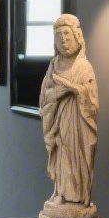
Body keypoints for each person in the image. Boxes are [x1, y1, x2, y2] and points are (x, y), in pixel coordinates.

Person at [39, 14, 98, 206]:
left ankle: (80, 196)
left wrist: (73, 89)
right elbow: (45, 96)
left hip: (78, 122)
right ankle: (60, 193)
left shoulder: (84, 67)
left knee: (77, 156)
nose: (63, 39)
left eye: (67, 34)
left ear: (77, 37)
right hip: (58, 121)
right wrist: (58, 93)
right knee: (61, 154)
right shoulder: (54, 65)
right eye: (59, 36)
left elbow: (92, 102)